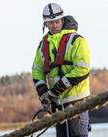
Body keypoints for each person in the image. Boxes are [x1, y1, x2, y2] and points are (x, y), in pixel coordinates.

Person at [32, 3, 91, 137]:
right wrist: (43, 93)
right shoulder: (42, 45)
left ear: (62, 20)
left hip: (78, 103)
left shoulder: (77, 40)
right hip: (57, 105)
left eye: (57, 22)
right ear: (45, 24)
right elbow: (37, 70)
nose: (54, 25)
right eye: (50, 22)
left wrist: (55, 89)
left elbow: (82, 69)